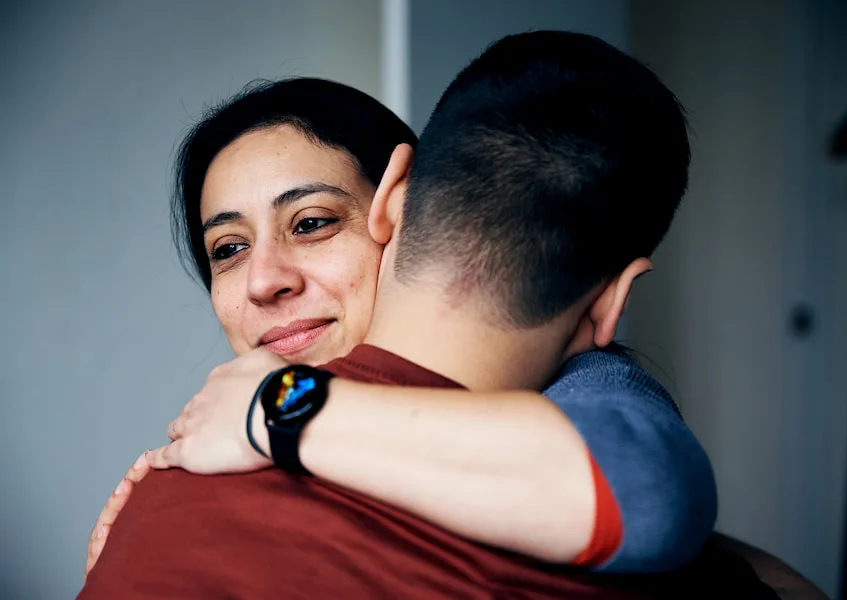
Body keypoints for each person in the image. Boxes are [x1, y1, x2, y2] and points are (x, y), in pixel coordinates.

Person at [82, 33, 718, 595]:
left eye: (311, 223)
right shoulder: (195, 471)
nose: (264, 281)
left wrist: (275, 407)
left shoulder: (581, 393)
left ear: (398, 205)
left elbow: (646, 489)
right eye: (228, 249)